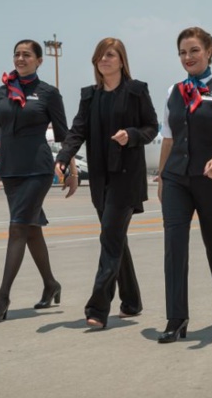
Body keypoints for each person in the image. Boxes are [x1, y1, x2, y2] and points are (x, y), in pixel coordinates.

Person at [0, 39, 77, 321]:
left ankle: (2, 297)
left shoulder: (48, 93)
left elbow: (66, 135)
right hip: (10, 170)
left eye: (27, 55)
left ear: (39, 60)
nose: (20, 59)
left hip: (37, 170)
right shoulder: (2, 91)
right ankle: (51, 284)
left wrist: (72, 171)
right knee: (30, 229)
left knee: (17, 228)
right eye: (17, 54)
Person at [55, 37, 158, 329]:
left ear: (121, 60)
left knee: (109, 240)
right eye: (100, 55)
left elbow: (152, 126)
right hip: (100, 179)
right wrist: (64, 157)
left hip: (126, 177)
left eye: (110, 55)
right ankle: (132, 301)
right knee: (115, 239)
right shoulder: (90, 96)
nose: (104, 60)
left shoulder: (137, 91)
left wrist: (132, 135)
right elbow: (77, 131)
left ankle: (98, 308)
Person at [157, 27, 212, 343]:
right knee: (174, 246)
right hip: (177, 178)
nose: (188, 57)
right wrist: (163, 176)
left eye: (194, 50)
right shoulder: (173, 92)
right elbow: (168, 137)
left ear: (208, 51)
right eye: (182, 52)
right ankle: (176, 319)